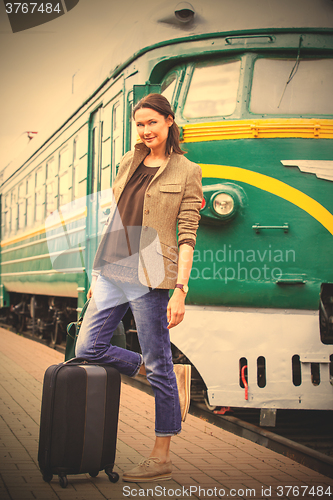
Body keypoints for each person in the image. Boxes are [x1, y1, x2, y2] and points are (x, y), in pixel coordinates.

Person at [75, 93, 203, 482]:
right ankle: (154, 370)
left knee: (160, 361)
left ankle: (161, 457)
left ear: (169, 121)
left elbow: (187, 234)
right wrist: (97, 276)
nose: (146, 131)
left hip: (150, 276)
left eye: (152, 122)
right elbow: (118, 216)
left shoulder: (187, 170)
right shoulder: (129, 161)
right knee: (87, 347)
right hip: (113, 267)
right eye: (140, 124)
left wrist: (180, 289)